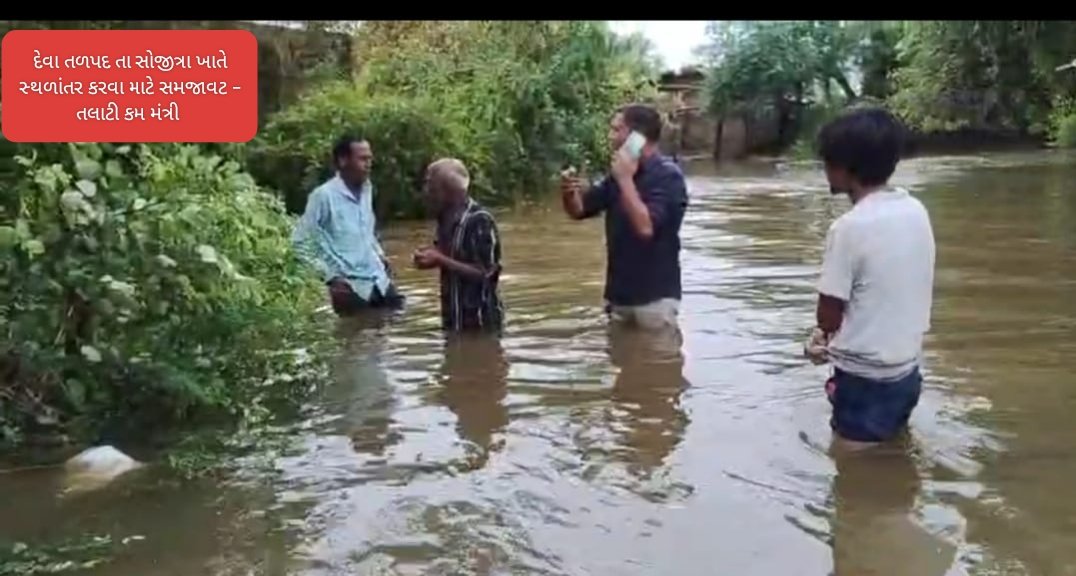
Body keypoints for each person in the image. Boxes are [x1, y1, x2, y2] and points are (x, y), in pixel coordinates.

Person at [805, 107, 936, 447]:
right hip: (907, 373)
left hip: (865, 383)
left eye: (827, 162)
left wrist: (818, 341)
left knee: (854, 482)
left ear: (845, 168)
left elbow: (828, 314)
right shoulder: (915, 210)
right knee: (895, 459)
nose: (825, 171)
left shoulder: (848, 228)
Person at [559, 104, 689, 331]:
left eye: (616, 129)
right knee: (621, 361)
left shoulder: (668, 176)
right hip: (618, 297)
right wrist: (569, 193)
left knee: (658, 364)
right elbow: (579, 211)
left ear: (636, 138)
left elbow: (646, 228)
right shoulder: (618, 175)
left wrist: (625, 180)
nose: (611, 136)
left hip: (655, 300)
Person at [292, 135, 403, 316]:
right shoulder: (323, 196)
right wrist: (330, 277)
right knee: (355, 339)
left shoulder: (367, 189)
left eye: (370, 159)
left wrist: (381, 256)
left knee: (394, 330)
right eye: (362, 159)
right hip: (349, 288)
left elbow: (366, 231)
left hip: (379, 280)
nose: (368, 164)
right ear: (343, 161)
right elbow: (300, 242)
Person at [412, 158, 504, 332]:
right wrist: (431, 258)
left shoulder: (480, 220)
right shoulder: (445, 219)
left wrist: (440, 259)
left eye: (432, 187)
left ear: (448, 191)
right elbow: (453, 259)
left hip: (480, 325)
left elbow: (485, 273)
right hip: (453, 321)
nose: (427, 192)